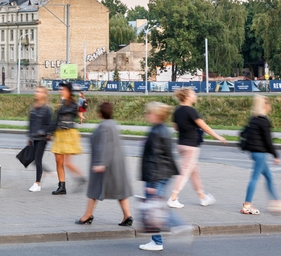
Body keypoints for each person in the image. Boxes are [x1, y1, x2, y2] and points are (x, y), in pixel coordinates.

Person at [167, 88, 226, 209]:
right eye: (193, 94)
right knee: (184, 173)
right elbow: (204, 127)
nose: (196, 96)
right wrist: (218, 137)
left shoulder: (177, 111)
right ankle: (173, 198)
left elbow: (176, 127)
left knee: (194, 172)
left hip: (181, 144)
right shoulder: (191, 111)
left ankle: (202, 197)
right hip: (191, 146)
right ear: (188, 97)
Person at [76, 102, 133, 227]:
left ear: (100, 113)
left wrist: (100, 163)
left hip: (103, 165)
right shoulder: (113, 124)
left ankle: (87, 216)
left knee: (94, 189)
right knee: (120, 191)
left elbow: (103, 146)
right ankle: (127, 216)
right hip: (117, 164)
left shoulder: (103, 127)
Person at [139, 102, 185, 252]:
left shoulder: (156, 132)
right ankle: (160, 238)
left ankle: (160, 239)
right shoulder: (163, 130)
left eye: (149, 113)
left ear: (156, 115)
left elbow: (155, 158)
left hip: (156, 175)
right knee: (156, 206)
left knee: (154, 208)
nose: (147, 115)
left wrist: (151, 184)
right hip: (164, 173)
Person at [241, 95, 281, 215]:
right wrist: (276, 155)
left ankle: (275, 201)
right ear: (264, 106)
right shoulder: (264, 121)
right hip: (260, 153)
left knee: (269, 176)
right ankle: (247, 204)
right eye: (268, 103)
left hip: (254, 152)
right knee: (254, 178)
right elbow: (268, 141)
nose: (269, 106)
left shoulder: (253, 119)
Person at [49, 81, 85, 195]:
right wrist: (50, 132)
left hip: (68, 133)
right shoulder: (61, 102)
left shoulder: (72, 103)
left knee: (67, 163)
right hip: (59, 133)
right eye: (60, 89)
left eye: (63, 89)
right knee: (58, 161)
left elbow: (67, 111)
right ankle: (61, 186)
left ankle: (81, 178)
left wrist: (63, 101)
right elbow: (56, 118)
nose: (61, 91)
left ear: (68, 91)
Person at [27, 86, 53, 192]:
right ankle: (47, 171)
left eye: (39, 92)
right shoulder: (33, 107)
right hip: (33, 137)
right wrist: (29, 136)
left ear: (44, 94)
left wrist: (44, 133)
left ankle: (37, 183)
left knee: (37, 160)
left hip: (41, 138)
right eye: (36, 91)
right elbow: (31, 123)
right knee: (33, 159)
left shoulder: (46, 109)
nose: (36, 93)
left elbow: (49, 124)